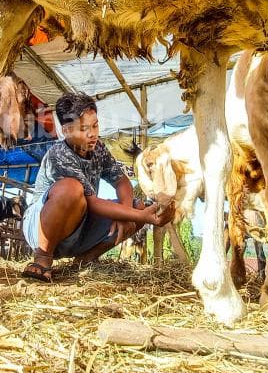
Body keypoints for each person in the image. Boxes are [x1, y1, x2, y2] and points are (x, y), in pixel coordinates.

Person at [21, 92, 174, 282]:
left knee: (137, 207)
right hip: (41, 228)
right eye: (84, 128)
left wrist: (127, 213)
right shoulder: (59, 155)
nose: (93, 134)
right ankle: (43, 258)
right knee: (71, 189)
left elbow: (121, 181)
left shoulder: (98, 149)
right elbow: (91, 202)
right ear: (67, 131)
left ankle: (84, 260)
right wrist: (144, 218)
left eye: (95, 125)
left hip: (79, 228)